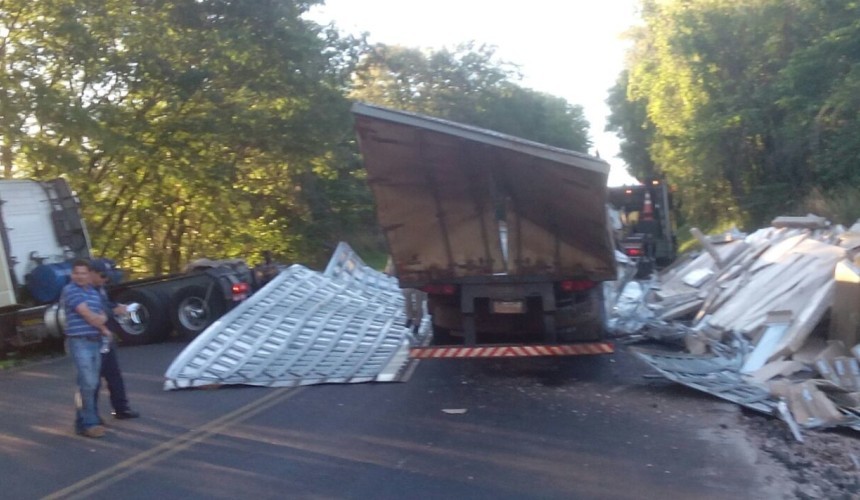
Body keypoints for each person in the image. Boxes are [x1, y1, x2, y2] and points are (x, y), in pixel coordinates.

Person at [61, 259, 110, 438]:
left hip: (94, 341)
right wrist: (101, 320)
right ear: (72, 274)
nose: (80, 277)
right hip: (79, 342)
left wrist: (103, 328)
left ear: (88, 274)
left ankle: (84, 421)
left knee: (91, 383)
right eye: (76, 273)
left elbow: (103, 314)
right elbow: (89, 315)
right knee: (88, 382)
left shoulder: (93, 293)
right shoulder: (70, 290)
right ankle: (90, 423)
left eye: (83, 273)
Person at [90, 259, 140, 420]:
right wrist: (114, 311)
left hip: (106, 337)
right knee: (92, 380)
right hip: (92, 339)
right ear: (91, 273)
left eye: (107, 276)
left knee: (114, 374)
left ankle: (121, 408)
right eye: (103, 275)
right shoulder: (86, 291)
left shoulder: (101, 288)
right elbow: (97, 312)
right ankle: (90, 416)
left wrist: (118, 307)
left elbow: (106, 305)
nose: (106, 279)